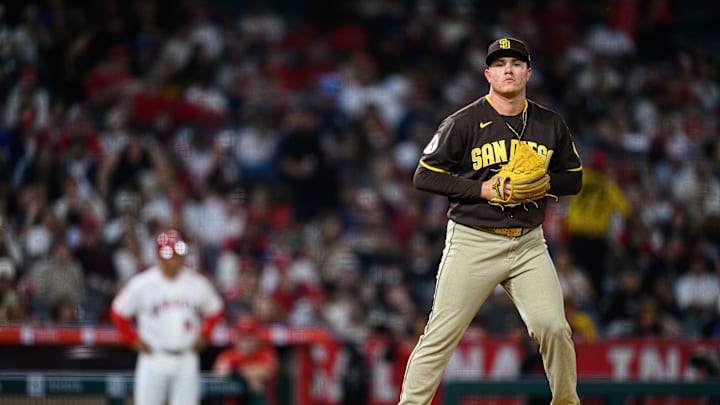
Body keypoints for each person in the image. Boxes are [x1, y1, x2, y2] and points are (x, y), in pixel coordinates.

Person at [397, 38, 583, 405]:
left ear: (528, 72)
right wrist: (483, 191)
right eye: (500, 65)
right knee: (441, 334)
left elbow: (573, 178)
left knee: (554, 327)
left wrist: (544, 184)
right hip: (473, 240)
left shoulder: (549, 123)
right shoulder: (464, 122)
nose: (508, 70)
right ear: (488, 74)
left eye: (516, 63)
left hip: (528, 243)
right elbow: (425, 176)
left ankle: (567, 402)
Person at [110, 229, 224, 405]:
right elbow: (118, 312)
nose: (175, 259)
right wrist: (131, 339)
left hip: (187, 358)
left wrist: (205, 334)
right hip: (154, 357)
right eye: (170, 255)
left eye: (178, 254)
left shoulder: (196, 283)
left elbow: (216, 310)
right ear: (160, 256)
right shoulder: (143, 284)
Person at [213, 317, 279, 405]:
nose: (246, 343)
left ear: (257, 339)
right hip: (233, 397)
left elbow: (266, 372)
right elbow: (219, 373)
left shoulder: (266, 352)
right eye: (243, 339)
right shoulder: (228, 354)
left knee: (255, 381)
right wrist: (243, 371)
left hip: (260, 397)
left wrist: (235, 369)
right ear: (236, 339)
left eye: (250, 338)